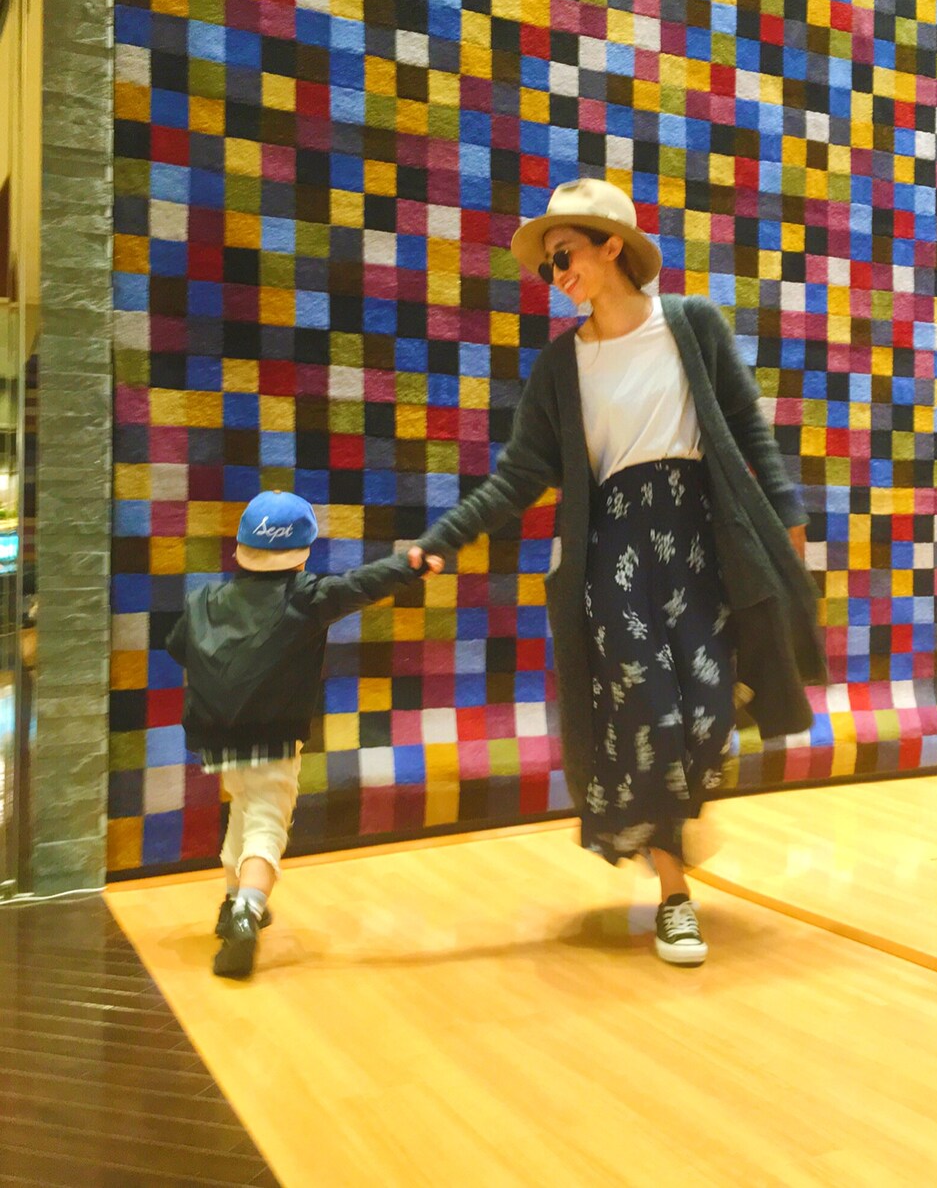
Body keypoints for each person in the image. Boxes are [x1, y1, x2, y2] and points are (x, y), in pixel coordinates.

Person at [408, 179, 824, 966]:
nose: (556, 274)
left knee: (705, 715)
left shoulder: (692, 326)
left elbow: (749, 433)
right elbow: (517, 476)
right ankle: (674, 897)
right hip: (614, 557)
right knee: (649, 717)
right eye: (547, 266)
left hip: (702, 546)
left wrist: (788, 533)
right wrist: (442, 538)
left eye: (564, 255)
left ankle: (663, 820)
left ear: (613, 246)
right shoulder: (561, 364)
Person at [166, 490, 443, 978]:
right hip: (273, 737)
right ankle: (247, 913)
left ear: (241, 548)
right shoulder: (306, 597)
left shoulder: (203, 600)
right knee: (266, 823)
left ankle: (232, 902)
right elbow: (362, 584)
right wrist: (411, 566)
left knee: (244, 812)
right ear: (302, 553)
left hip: (214, 739)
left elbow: (177, 647)